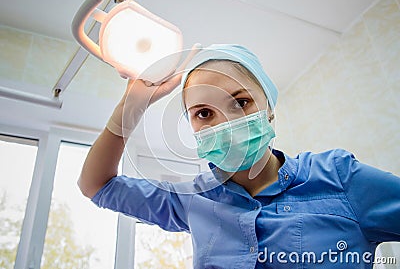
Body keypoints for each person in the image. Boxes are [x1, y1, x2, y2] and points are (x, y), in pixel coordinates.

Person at [78, 44, 400, 268]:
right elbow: (97, 185)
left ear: (269, 109)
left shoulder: (337, 177)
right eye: (204, 113)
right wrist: (130, 109)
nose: (225, 122)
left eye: (241, 102)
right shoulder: (193, 199)